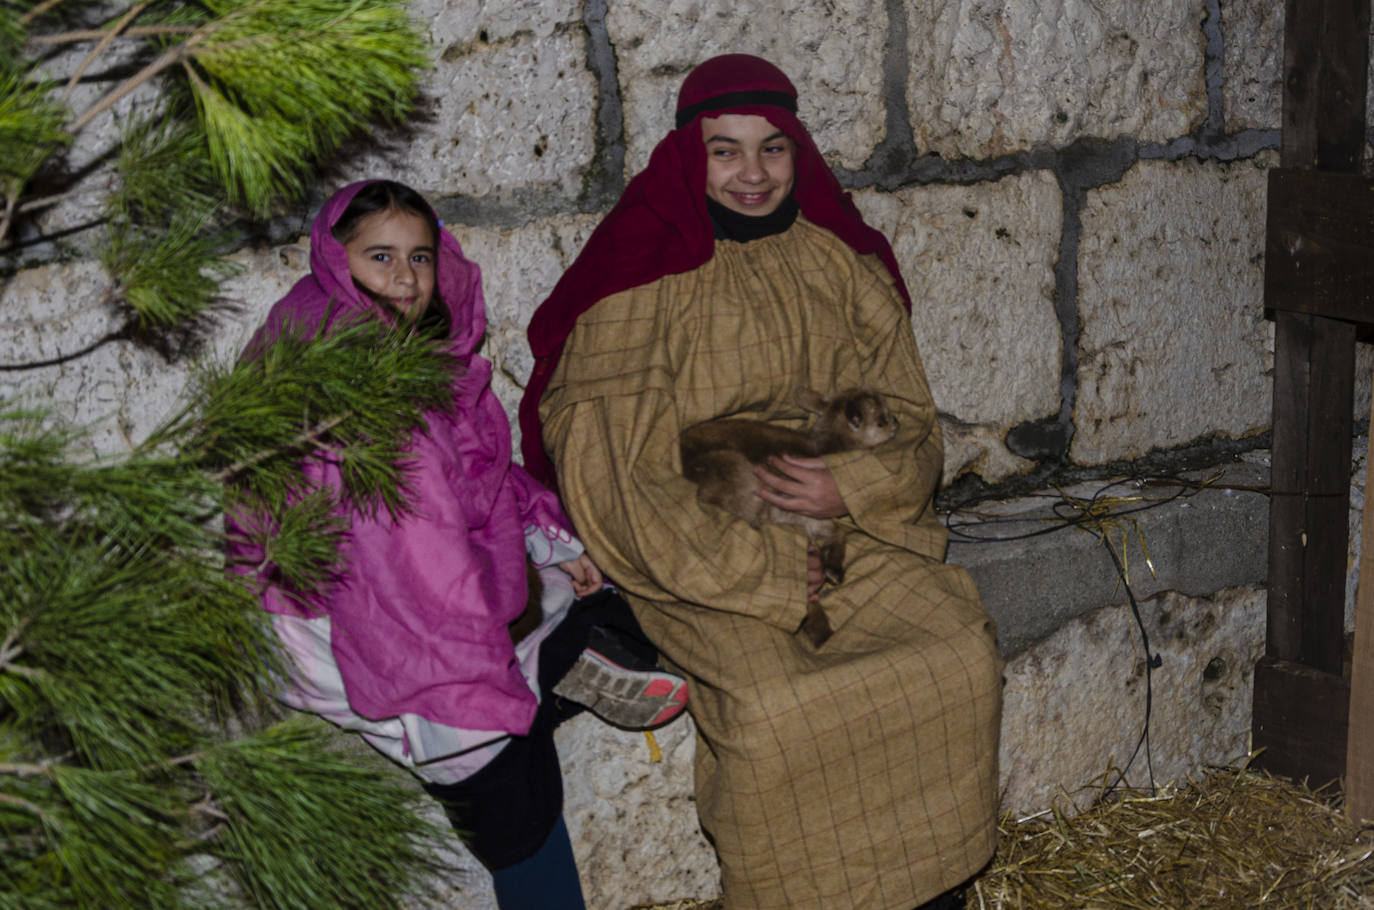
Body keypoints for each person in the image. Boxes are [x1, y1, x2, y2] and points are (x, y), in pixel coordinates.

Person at [519, 56, 1002, 910]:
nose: (753, 173)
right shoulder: (638, 278)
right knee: (779, 707)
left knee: (954, 651)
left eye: (773, 149)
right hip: (698, 545)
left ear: (799, 153)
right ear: (687, 157)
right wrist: (769, 575)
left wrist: (847, 487)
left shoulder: (836, 263)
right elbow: (615, 478)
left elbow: (912, 421)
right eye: (726, 150)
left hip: (848, 530)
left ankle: (930, 896)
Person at [227, 179, 688, 910]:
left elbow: (473, 472)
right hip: (329, 615)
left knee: (598, 595)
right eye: (380, 257)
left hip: (397, 573)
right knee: (502, 772)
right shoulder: (354, 378)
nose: (405, 278)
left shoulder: (387, 342)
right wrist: (479, 679)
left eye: (420, 257)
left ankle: (563, 661)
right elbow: (408, 571)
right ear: (333, 259)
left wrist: (540, 533)